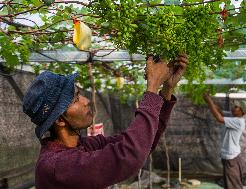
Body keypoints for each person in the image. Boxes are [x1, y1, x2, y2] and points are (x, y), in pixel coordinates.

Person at [22, 54, 188, 189]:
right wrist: (152, 86)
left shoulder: (83, 146)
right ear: (59, 120)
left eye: (79, 94)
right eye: (75, 100)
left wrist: (166, 90)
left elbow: (143, 143)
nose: (86, 101)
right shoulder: (56, 166)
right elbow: (129, 155)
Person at [203, 94, 246, 189]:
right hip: (229, 156)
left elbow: (219, 118)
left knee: (233, 185)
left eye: (236, 107)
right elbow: (219, 111)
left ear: (242, 111)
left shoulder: (239, 121)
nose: (233, 108)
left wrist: (209, 101)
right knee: (230, 183)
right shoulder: (232, 116)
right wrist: (210, 100)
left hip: (231, 158)